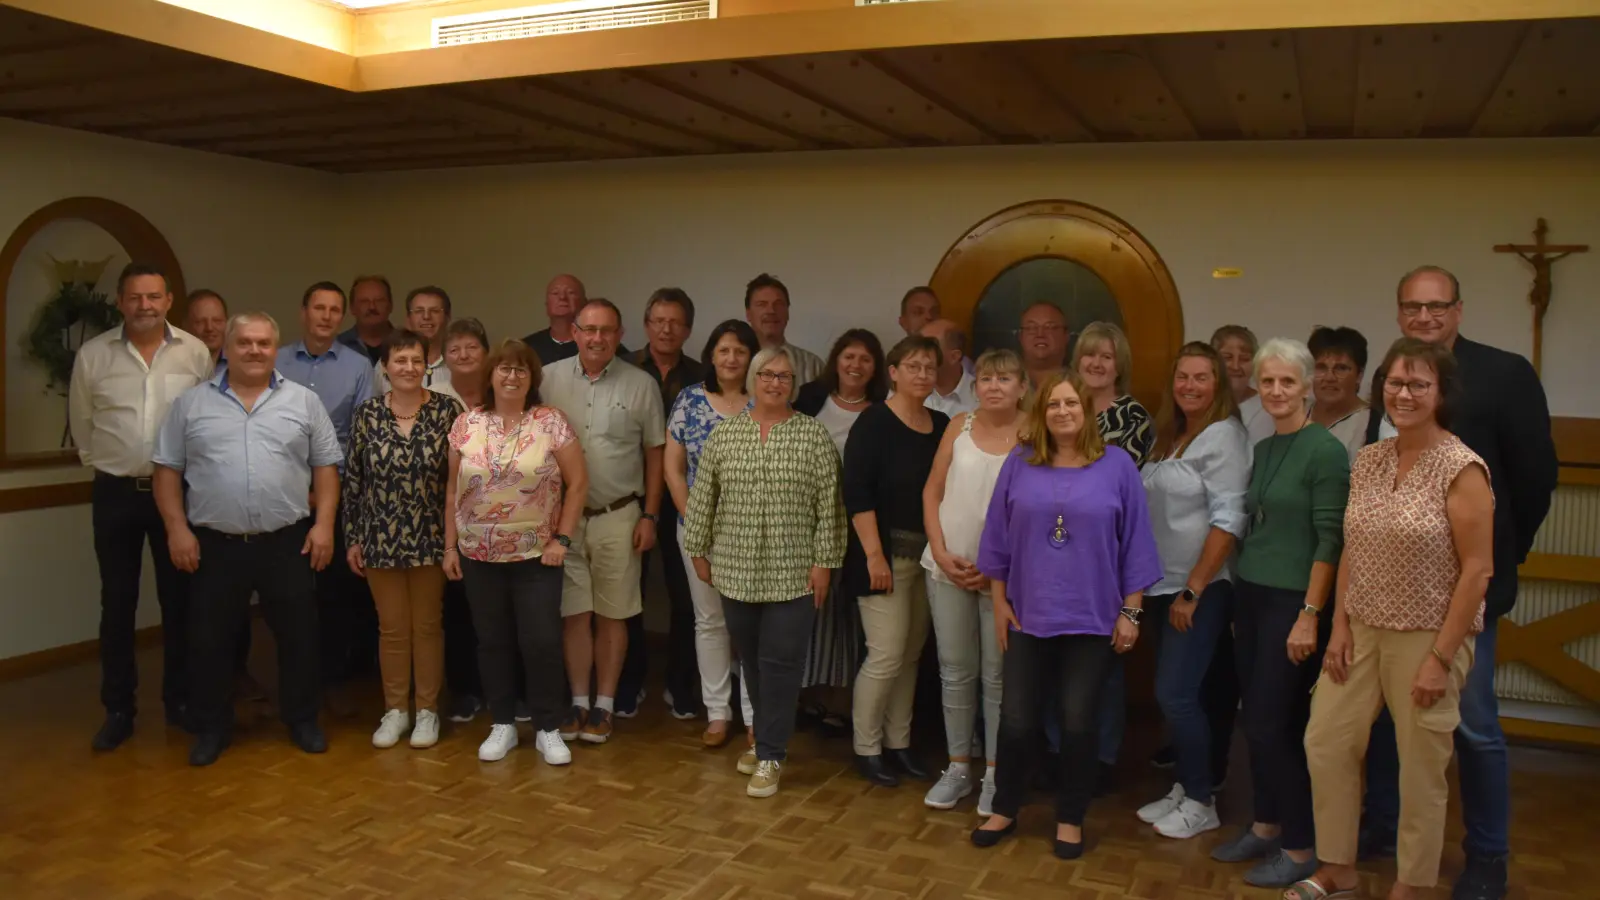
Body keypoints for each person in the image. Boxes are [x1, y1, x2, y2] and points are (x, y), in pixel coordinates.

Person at [1359, 267, 1558, 900]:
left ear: (1459, 311)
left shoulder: (1503, 375)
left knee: (1471, 725)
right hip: (1389, 594)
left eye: (1437, 305)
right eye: (1413, 307)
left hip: (1464, 592)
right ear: (1398, 314)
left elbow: (1535, 479)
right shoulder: (1390, 377)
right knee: (1391, 721)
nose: (1425, 317)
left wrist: (1502, 554)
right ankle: (1386, 830)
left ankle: (1487, 855)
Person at [1295, 338, 1494, 900]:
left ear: (1440, 393)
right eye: (1395, 383)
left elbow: (1478, 571)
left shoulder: (1461, 468)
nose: (1403, 394)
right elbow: (1352, 546)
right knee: (1326, 741)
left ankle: (1411, 884)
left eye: (1418, 384)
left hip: (1428, 637)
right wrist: (1338, 626)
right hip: (1361, 630)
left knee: (1420, 769)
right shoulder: (1371, 459)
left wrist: (1439, 659)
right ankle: (1337, 868)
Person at [969, 371, 1162, 859]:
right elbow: (997, 537)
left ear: (1087, 410)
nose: (1062, 412)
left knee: (1078, 723)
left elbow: (1135, 542)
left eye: (1071, 403)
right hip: (1027, 614)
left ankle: (1071, 817)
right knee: (1015, 720)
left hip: (1092, 617)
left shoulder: (1117, 466)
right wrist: (998, 604)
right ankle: (1005, 807)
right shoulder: (1020, 462)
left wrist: (1132, 614)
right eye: (1053, 404)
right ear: (1041, 412)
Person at [151, 312, 341, 766]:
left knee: (299, 636)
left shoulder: (302, 402)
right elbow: (166, 470)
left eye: (263, 343)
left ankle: (301, 719)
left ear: (275, 349)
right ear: (227, 348)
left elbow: (326, 468)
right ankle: (212, 727)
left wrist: (325, 525)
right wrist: (177, 528)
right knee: (209, 639)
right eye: (245, 343)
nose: (254, 350)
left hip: (286, 540)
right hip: (216, 543)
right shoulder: (191, 405)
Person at [1210, 339, 1349, 888]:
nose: (1275, 391)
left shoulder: (1325, 451)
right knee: (1257, 721)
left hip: (1296, 603)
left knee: (1275, 725)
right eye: (1267, 382)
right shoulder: (1264, 448)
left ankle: (1300, 846)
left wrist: (1310, 614)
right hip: (1254, 596)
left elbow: (1329, 540)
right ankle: (1265, 826)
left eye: (1287, 382)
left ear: (1308, 386)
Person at [682, 346, 848, 798]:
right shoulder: (726, 435)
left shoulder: (812, 437)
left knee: (781, 663)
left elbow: (829, 508)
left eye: (784, 377)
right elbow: (704, 497)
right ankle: (765, 742)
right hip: (735, 570)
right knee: (752, 662)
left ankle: (772, 752)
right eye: (768, 375)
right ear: (753, 380)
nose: (776, 383)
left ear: (793, 385)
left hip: (793, 573)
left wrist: (824, 564)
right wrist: (697, 549)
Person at [69, 263, 213, 751]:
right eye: (135, 298)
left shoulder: (194, 353)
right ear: (120, 300)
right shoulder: (93, 356)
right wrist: (117, 464)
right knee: (118, 604)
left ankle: (181, 701)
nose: (145, 306)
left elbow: (207, 420)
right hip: (115, 494)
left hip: (178, 493)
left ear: (169, 300)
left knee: (181, 603)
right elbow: (83, 427)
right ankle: (118, 709)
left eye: (153, 297)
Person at [446, 339, 588, 764]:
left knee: (541, 641)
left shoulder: (550, 422)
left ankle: (548, 726)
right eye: (504, 369)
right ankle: (502, 723)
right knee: (492, 641)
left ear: (532, 378)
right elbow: (451, 490)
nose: (511, 376)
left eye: (521, 370)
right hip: (477, 554)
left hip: (537, 556)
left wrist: (561, 539)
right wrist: (449, 545)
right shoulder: (466, 424)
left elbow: (578, 483)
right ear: (491, 376)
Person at [1136, 341, 1250, 840]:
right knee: (1186, 695)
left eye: (1201, 377)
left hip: (1197, 587)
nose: (1189, 386)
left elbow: (1229, 520)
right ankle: (1185, 786)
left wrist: (1195, 590)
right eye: (1183, 376)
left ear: (1218, 384)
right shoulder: (1172, 434)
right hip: (1161, 584)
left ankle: (1203, 800)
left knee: (1176, 694)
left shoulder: (1224, 436)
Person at [541, 299, 666, 745]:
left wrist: (650, 514)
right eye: (589, 329)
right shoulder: (548, 378)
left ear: (619, 334)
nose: (597, 338)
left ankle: (605, 705)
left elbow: (655, 453)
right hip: (564, 519)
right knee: (574, 614)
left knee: (614, 615)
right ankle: (577, 701)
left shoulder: (641, 384)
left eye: (607, 331)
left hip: (620, 514)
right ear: (574, 332)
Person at [344, 329, 465, 750]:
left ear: (426, 367)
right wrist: (353, 537)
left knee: (428, 627)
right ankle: (396, 710)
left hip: (431, 536)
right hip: (379, 538)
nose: (409, 368)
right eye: (400, 360)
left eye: (416, 360)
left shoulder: (448, 412)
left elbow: (459, 481)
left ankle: (428, 711)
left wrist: (455, 541)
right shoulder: (366, 415)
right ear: (386, 367)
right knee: (392, 629)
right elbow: (354, 481)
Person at [920, 349, 1026, 814]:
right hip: (946, 569)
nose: (994, 386)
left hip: (1003, 577)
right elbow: (932, 491)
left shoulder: (1034, 433)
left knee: (998, 676)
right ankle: (959, 766)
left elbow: (1042, 508)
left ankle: (996, 774)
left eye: (1004, 378)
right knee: (955, 671)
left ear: (1023, 386)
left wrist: (998, 566)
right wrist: (941, 552)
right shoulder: (958, 424)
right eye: (985, 378)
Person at [846, 335, 950, 787]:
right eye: (913, 366)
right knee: (885, 654)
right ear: (893, 371)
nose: (922, 374)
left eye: (929, 367)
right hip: (882, 557)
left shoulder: (943, 424)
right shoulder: (873, 423)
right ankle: (865, 748)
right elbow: (857, 493)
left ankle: (898, 743)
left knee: (910, 656)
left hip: (926, 560)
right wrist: (874, 555)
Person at [275, 281, 376, 717]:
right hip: (280, 487)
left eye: (336, 310)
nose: (327, 316)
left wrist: (327, 488)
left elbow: (363, 431)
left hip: (336, 485)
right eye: (319, 307)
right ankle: (294, 670)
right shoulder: (275, 361)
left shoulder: (358, 365)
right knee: (288, 587)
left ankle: (334, 669)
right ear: (303, 312)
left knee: (335, 586)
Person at [665, 319, 761, 748]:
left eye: (740, 351)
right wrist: (696, 523)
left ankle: (756, 715)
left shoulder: (763, 401)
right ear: (711, 355)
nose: (731, 358)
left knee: (750, 626)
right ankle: (718, 713)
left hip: (752, 534)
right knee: (710, 622)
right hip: (697, 530)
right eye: (723, 350)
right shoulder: (688, 399)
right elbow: (672, 467)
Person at [1072, 320, 1154, 788]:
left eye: (1106, 355)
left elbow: (1119, 491)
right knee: (1059, 655)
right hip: (1056, 551)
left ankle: (1101, 758)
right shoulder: (1060, 405)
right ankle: (1061, 750)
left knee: (1102, 663)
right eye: (1089, 354)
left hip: (1106, 554)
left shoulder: (1132, 416)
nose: (1097, 363)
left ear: (1119, 363)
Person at [794, 329, 887, 729]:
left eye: (865, 359)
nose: (856, 365)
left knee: (845, 617)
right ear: (836, 359)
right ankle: (805, 698)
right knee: (808, 610)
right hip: (807, 522)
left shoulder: (881, 410)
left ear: (876, 368)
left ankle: (839, 703)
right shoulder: (812, 399)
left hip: (856, 524)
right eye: (849, 356)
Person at [619, 288, 706, 721]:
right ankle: (628, 683)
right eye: (658, 320)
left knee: (686, 598)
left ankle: (680, 684)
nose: (666, 329)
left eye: (675, 322)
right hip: (629, 496)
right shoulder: (624, 368)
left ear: (688, 329)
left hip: (685, 500)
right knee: (626, 595)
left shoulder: (702, 376)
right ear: (646, 324)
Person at [437, 317, 490, 722]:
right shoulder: (432, 397)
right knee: (457, 610)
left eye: (471, 347)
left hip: (501, 520)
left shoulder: (503, 393)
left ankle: (507, 691)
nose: (463, 355)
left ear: (485, 353)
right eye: (454, 349)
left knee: (501, 611)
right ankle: (466, 691)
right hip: (448, 517)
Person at [744, 273, 823, 384]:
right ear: (748, 314)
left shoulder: (813, 366)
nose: (771, 311)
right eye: (762, 304)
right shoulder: (736, 364)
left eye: (778, 304)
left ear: (787, 312)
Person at [1307, 326, 1370, 464]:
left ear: (1359, 375)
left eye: (1341, 368)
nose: (1329, 377)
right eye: (1321, 368)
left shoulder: (1372, 424)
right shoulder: (1297, 412)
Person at [373, 286, 451, 393]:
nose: (426, 316)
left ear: (447, 317)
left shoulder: (458, 361)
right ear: (408, 318)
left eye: (435, 311)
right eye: (419, 311)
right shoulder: (386, 364)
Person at [1215, 325, 1273, 446]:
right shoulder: (1202, 403)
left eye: (1244, 359)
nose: (1235, 366)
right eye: (1227, 358)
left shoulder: (1266, 409)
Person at [919, 318, 977, 417]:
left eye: (929, 347)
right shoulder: (906, 390)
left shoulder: (983, 397)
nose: (919, 354)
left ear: (954, 356)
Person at [338, 275, 396, 365]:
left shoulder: (408, 344)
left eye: (379, 300)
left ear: (390, 306)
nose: (372, 307)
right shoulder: (337, 347)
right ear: (352, 308)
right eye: (364, 301)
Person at [1018, 302, 1069, 388]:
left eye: (1049, 327)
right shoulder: (1005, 385)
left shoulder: (1080, 387)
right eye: (1032, 327)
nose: (1040, 334)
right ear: (1020, 337)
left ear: (1066, 336)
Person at [183, 289, 228, 374]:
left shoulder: (241, 364)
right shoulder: (174, 364)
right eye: (200, 322)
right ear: (185, 326)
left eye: (217, 321)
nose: (209, 328)